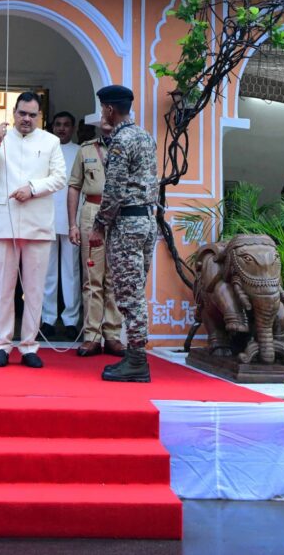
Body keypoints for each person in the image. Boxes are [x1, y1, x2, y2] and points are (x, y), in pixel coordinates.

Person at [0, 91, 66, 368]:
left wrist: (32, 188)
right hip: (4, 222)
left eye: (32, 115)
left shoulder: (50, 141)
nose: (26, 119)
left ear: (39, 116)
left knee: (35, 289)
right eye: (22, 113)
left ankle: (28, 346)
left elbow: (60, 177)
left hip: (38, 223)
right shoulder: (0, 138)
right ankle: (1, 344)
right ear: (14, 112)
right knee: (3, 287)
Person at [89, 85, 158, 383]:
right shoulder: (145, 136)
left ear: (108, 109)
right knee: (136, 290)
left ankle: (137, 360)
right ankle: (135, 356)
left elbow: (114, 190)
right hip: (147, 221)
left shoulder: (120, 141)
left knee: (129, 295)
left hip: (127, 225)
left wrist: (99, 225)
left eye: (102, 108)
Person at [68, 120, 125, 357]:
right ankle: (91, 335)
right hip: (92, 210)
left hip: (121, 214)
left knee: (115, 277)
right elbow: (74, 186)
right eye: (105, 113)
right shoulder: (86, 149)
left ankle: (112, 335)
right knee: (92, 277)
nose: (108, 120)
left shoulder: (128, 145)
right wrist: (72, 224)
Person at [40, 111, 82, 339]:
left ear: (73, 128)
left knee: (71, 272)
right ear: (52, 127)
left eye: (66, 124)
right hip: (46, 218)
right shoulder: (44, 150)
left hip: (72, 220)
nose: (62, 128)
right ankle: (47, 318)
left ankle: (71, 320)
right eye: (58, 124)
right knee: (47, 273)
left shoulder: (80, 151)